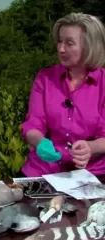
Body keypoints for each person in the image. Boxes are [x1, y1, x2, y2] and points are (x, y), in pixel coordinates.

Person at [20, 12, 105, 177]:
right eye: (59, 41)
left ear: (89, 46)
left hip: (92, 174)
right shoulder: (45, 78)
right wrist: (40, 142)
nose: (61, 49)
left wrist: (91, 148)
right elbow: (33, 124)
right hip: (43, 171)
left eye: (69, 43)